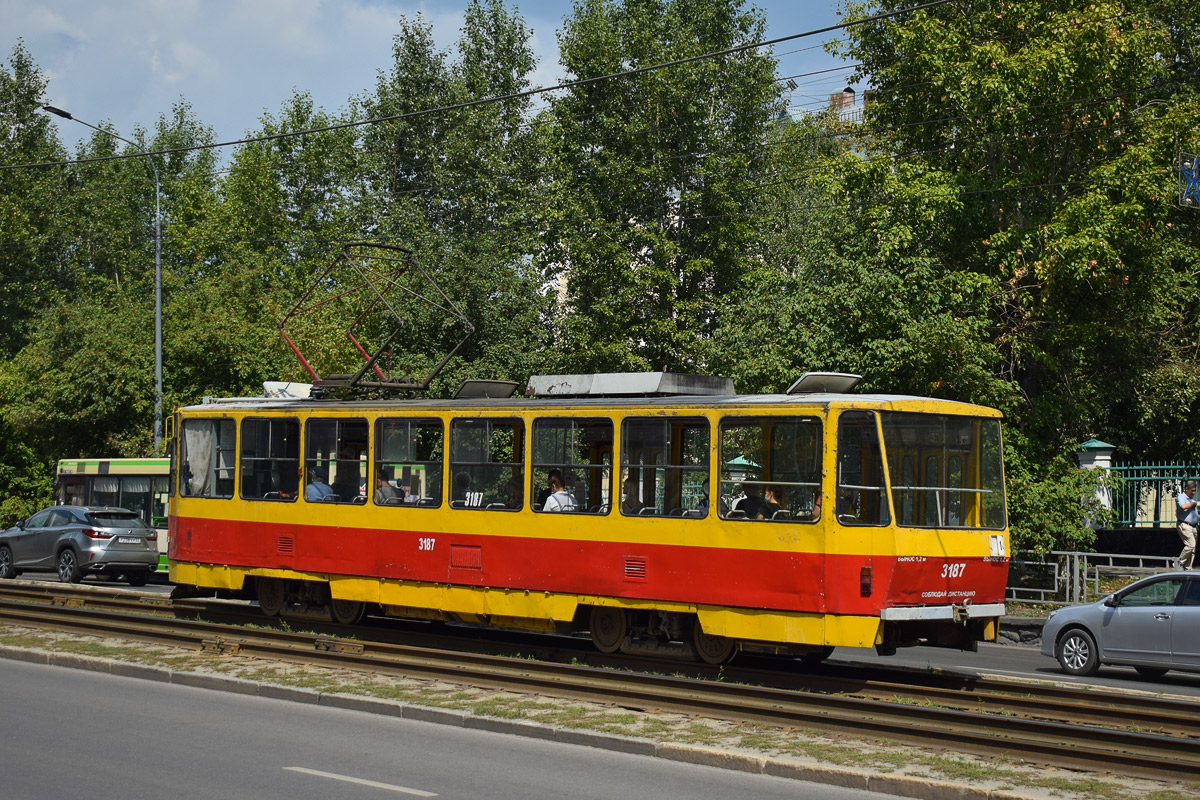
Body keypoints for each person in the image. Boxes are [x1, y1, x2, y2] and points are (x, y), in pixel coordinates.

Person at [1177, 480, 1198, 570]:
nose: (1193, 493)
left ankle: (1188, 569)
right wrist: (1193, 504)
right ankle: (1178, 562)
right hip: (1184, 525)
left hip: (1193, 527)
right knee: (1191, 545)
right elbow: (1183, 507)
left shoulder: (1191, 500)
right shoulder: (1181, 497)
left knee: (1192, 550)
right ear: (1186, 489)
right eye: (1192, 491)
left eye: (1194, 491)